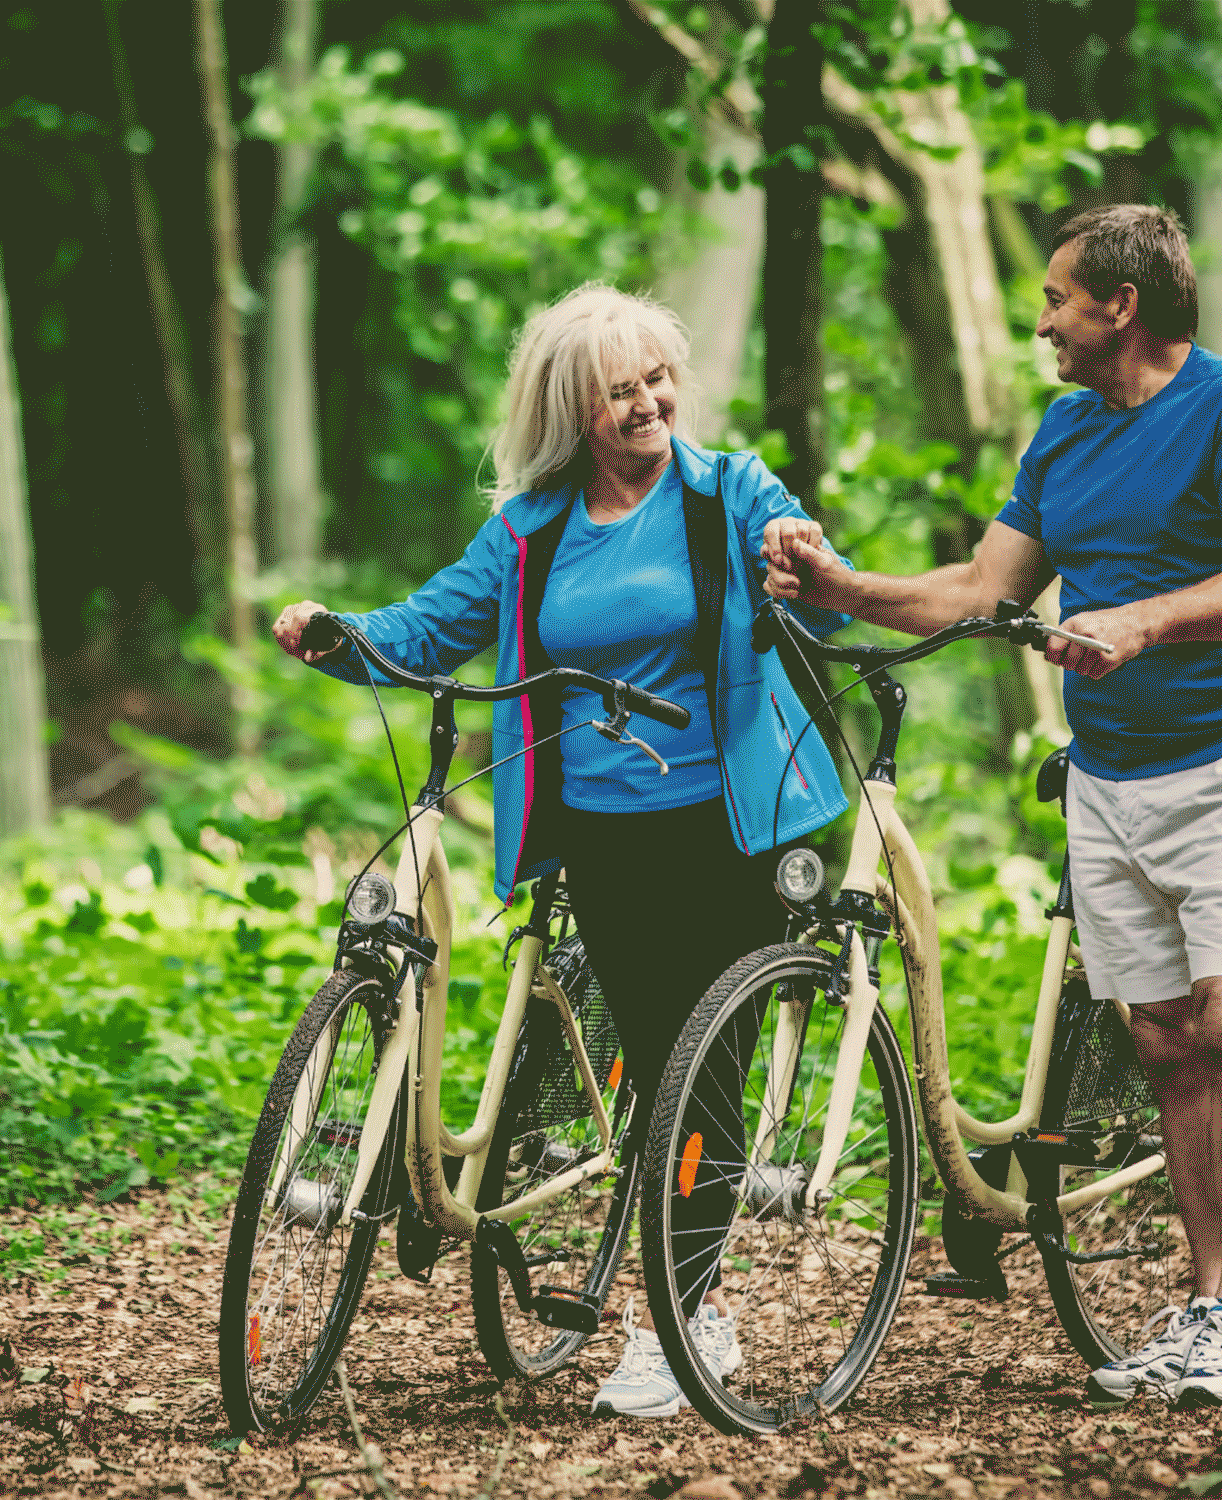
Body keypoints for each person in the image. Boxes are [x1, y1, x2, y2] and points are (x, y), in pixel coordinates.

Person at [271, 283, 852, 1418]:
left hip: (725, 822)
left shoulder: (729, 492)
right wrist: (334, 636)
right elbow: (426, 629)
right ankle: (678, 1293)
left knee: (703, 1070)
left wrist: (800, 556)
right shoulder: (530, 532)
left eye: (656, 379)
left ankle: (686, 1318)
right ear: (571, 410)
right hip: (599, 834)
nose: (648, 403)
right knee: (649, 1068)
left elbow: (811, 590)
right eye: (618, 390)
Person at [765, 205, 1222, 1409]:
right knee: (1164, 1041)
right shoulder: (1062, 439)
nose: (1041, 321)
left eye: (1058, 299)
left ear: (1120, 305)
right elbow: (975, 588)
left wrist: (1139, 616)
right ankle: (1202, 1303)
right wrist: (839, 586)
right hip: (1109, 773)